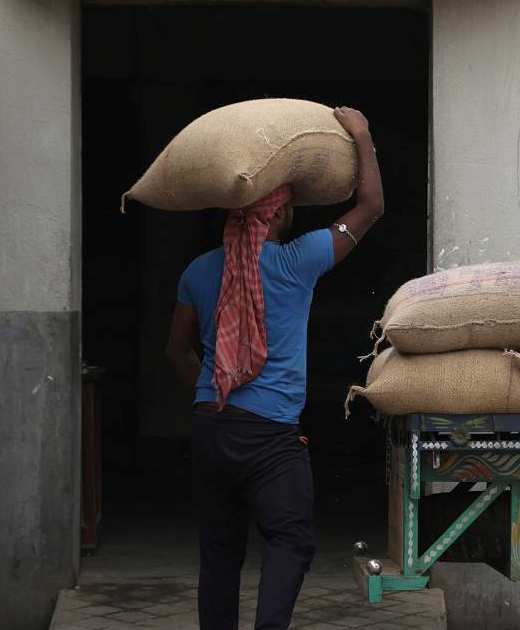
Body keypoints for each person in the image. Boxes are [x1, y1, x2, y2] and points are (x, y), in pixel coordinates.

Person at [165, 106, 383, 630]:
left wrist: (214, 395)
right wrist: (361, 133)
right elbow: (372, 205)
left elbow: (176, 350)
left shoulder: (198, 270)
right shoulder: (298, 259)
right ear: (280, 215)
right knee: (290, 542)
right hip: (270, 435)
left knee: (220, 552)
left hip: (211, 424)